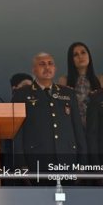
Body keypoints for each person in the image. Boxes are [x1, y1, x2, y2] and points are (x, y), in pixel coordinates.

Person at [12, 52, 87, 182]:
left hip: (68, 159)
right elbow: (18, 133)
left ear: (55, 68)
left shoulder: (68, 93)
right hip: (37, 161)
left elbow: (78, 130)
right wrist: (21, 164)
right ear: (34, 70)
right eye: (42, 64)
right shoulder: (22, 95)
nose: (47, 67)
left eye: (50, 64)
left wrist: (82, 163)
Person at [57, 42, 103, 127]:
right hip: (74, 128)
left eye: (83, 52)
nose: (80, 56)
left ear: (89, 56)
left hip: (98, 127)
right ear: (71, 59)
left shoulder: (102, 80)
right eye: (76, 55)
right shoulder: (64, 81)